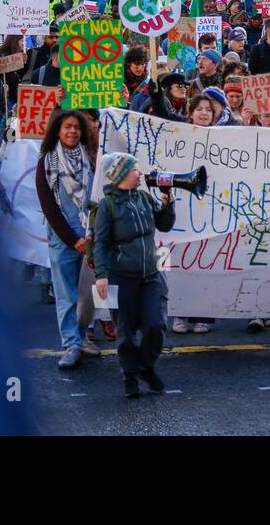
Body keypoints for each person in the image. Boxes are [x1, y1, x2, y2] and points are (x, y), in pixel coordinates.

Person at [93, 152, 176, 398]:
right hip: (121, 276)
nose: (140, 173)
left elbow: (165, 225)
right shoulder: (106, 206)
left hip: (151, 274)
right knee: (125, 331)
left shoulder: (143, 197)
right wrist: (101, 275)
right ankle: (130, 375)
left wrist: (168, 204)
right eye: (135, 170)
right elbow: (100, 243)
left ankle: (146, 367)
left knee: (156, 325)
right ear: (120, 175)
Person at [35, 109, 101, 370]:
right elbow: (49, 207)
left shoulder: (94, 159)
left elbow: (99, 197)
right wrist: (73, 239)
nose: (72, 132)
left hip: (91, 236)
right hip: (63, 237)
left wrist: (93, 235)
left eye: (77, 127)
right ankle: (71, 343)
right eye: (67, 127)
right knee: (66, 294)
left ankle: (83, 337)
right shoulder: (46, 162)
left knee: (87, 294)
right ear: (57, 131)